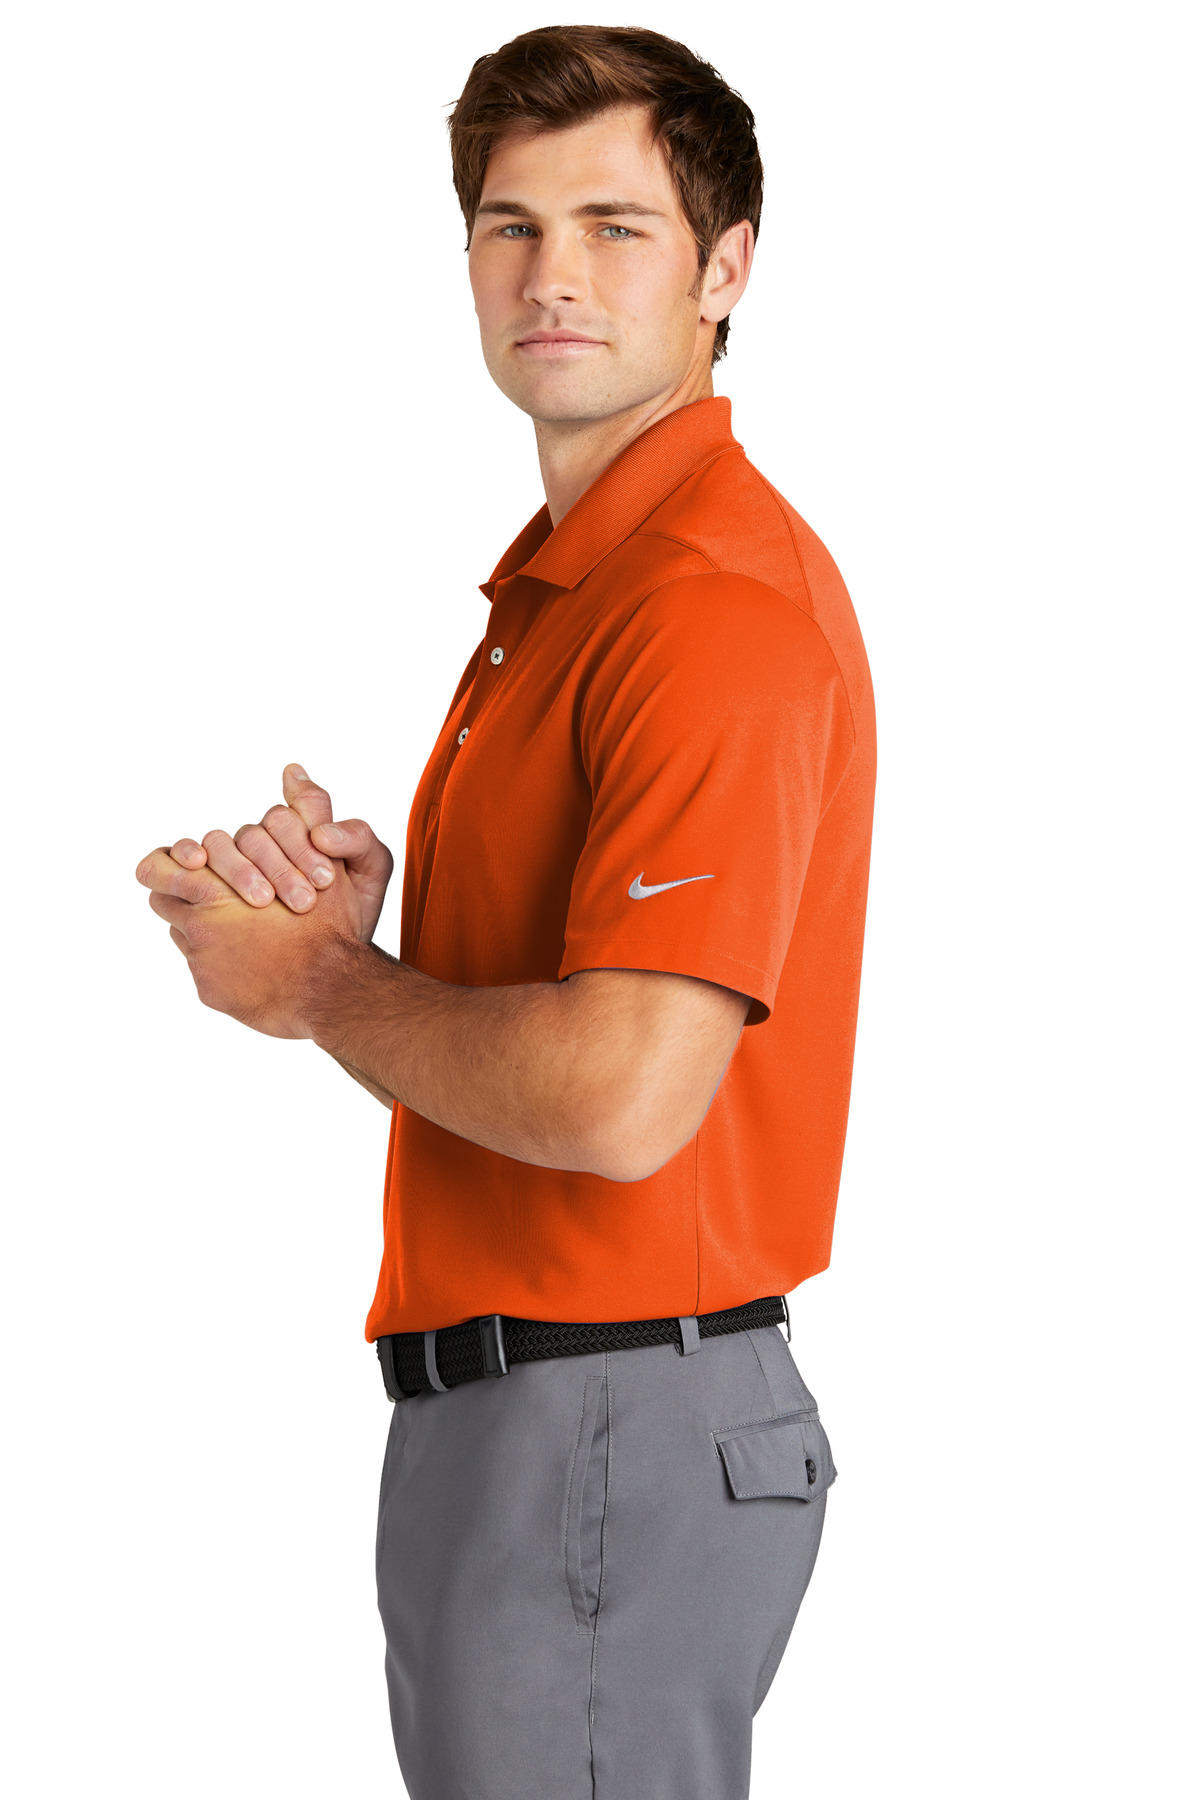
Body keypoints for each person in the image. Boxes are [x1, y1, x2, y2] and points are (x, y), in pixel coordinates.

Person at [135, 23, 875, 1799]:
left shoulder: (703, 604)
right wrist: (348, 943)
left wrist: (320, 987)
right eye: (510, 225)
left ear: (725, 269)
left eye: (617, 227)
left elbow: (621, 1099)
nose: (553, 274)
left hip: (602, 1422)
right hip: (552, 1423)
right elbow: (546, 1031)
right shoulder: (573, 594)